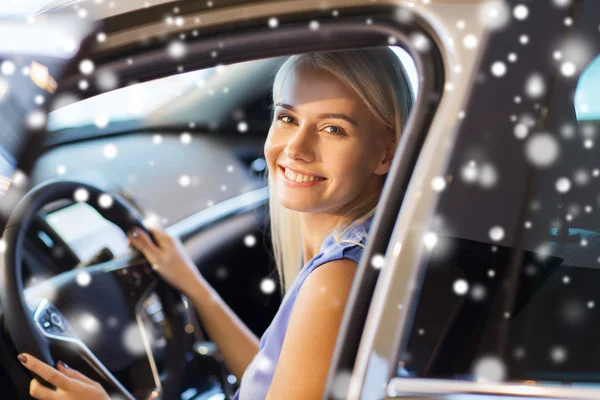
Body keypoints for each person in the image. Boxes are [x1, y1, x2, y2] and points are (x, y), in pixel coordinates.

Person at [19, 47, 414, 400]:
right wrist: (193, 285)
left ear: (386, 153)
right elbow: (269, 378)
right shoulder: (355, 252)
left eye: (333, 129)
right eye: (287, 118)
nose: (296, 148)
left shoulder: (336, 279)